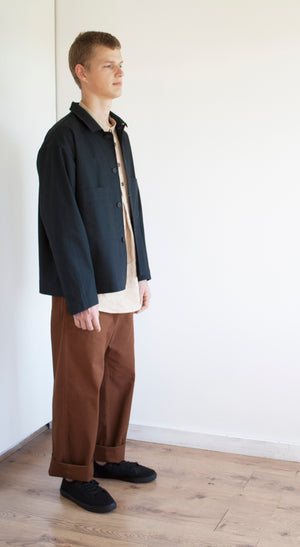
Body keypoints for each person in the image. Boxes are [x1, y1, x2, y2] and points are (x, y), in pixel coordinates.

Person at [37, 31, 156, 513]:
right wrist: (80, 294)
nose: (120, 72)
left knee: (119, 374)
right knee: (79, 382)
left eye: (122, 64)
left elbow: (133, 209)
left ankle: (106, 459)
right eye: (109, 65)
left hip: (121, 278)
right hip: (84, 288)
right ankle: (73, 473)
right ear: (82, 73)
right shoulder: (62, 139)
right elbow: (61, 223)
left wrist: (142, 271)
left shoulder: (118, 133)